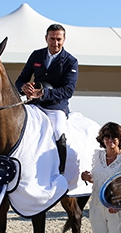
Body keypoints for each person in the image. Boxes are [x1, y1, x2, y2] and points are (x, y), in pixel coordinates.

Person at [15, 24, 78, 174]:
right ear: (46, 38)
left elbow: (68, 91)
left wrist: (44, 93)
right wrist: (23, 87)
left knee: (58, 131)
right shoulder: (36, 55)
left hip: (56, 106)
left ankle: (60, 171)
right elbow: (20, 80)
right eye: (52, 39)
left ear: (64, 39)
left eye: (58, 39)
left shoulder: (71, 61)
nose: (55, 43)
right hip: (35, 104)